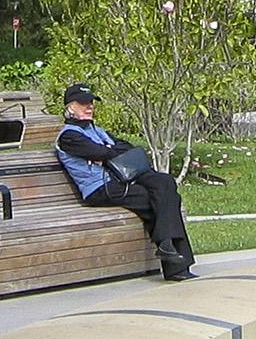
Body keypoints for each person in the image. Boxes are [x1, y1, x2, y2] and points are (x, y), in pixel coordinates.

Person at [54, 83, 196, 281]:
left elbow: (126, 147)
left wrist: (108, 150)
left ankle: (166, 246)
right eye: (84, 103)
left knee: (164, 183)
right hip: (100, 189)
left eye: (92, 103)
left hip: (122, 177)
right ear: (70, 107)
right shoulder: (68, 136)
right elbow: (102, 152)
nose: (90, 107)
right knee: (158, 199)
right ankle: (176, 265)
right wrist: (108, 149)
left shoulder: (97, 130)